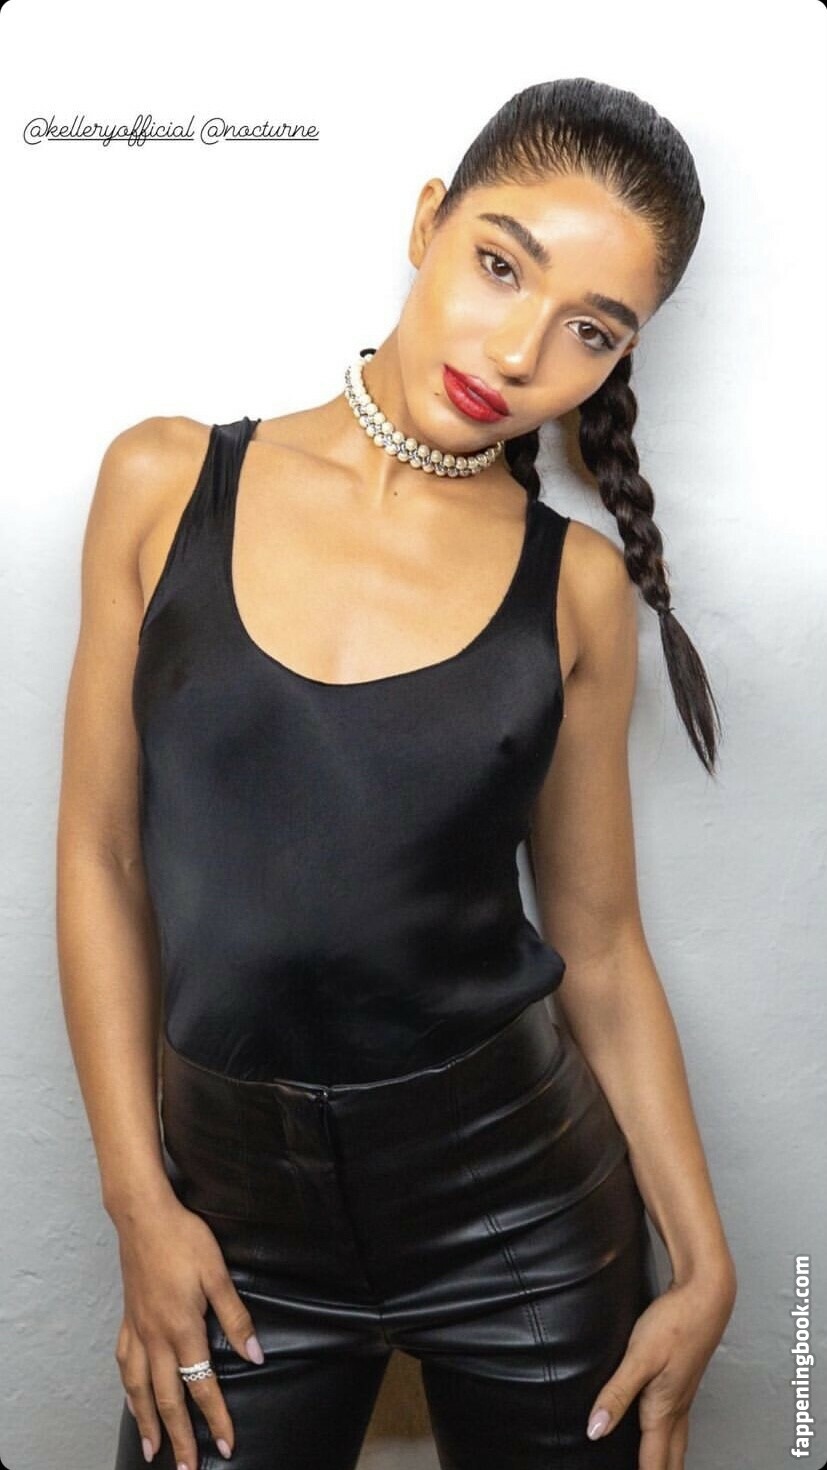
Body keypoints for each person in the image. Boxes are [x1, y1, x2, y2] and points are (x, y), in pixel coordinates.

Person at [56, 77, 737, 1470]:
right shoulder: (164, 483)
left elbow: (601, 949)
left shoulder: (576, 589)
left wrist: (708, 1261)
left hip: (523, 1215)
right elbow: (101, 860)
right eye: (501, 265)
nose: (519, 350)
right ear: (429, 221)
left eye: (591, 330)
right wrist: (139, 1204)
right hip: (231, 1228)